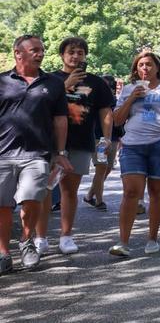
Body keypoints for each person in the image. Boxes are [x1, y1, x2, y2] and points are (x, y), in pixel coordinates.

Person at [36, 37, 114, 256]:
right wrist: (65, 85)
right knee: (44, 190)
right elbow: (39, 103)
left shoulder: (96, 82)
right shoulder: (49, 79)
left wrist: (106, 138)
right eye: (71, 52)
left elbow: (105, 111)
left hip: (81, 142)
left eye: (80, 52)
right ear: (62, 55)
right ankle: (40, 238)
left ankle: (66, 236)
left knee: (70, 191)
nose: (76, 56)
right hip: (49, 143)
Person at [0, 35, 71, 273]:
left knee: (31, 201)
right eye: (34, 50)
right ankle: (3, 253)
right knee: (2, 206)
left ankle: (26, 241)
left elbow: (60, 120)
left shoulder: (52, 83)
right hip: (3, 154)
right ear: (18, 53)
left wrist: (60, 152)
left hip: (37, 154)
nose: (40, 53)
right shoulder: (1, 82)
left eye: (41, 49)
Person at [110, 51, 160, 257]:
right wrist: (131, 99)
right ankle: (123, 242)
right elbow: (117, 120)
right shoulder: (129, 89)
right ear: (136, 69)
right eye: (141, 65)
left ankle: (152, 238)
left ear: (157, 67)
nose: (145, 68)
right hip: (133, 145)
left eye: (149, 65)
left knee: (156, 193)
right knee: (131, 192)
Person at [84, 74, 123, 211]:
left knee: (107, 168)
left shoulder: (115, 99)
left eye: (110, 85)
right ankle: (99, 201)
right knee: (101, 167)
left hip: (112, 138)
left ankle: (89, 195)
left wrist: (119, 138)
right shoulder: (93, 98)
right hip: (98, 138)